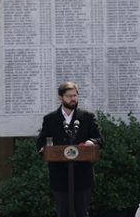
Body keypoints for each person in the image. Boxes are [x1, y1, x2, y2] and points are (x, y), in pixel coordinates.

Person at [36, 81, 104, 217]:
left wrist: (90, 142)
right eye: (69, 96)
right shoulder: (50, 119)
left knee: (82, 212)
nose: (73, 99)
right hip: (59, 175)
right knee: (63, 212)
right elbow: (41, 141)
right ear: (60, 98)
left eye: (75, 95)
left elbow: (100, 139)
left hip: (82, 175)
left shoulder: (87, 117)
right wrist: (44, 149)